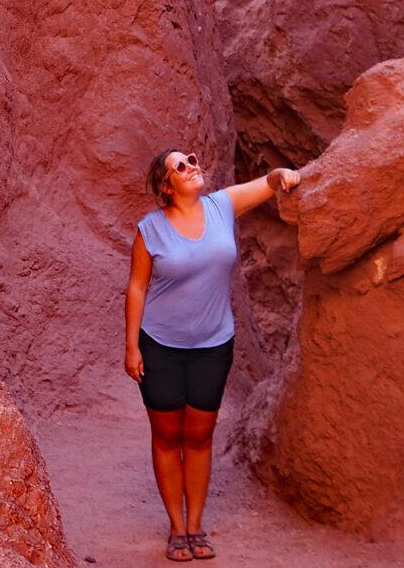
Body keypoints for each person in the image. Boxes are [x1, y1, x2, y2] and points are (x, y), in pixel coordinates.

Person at [124, 148, 300, 561]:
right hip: (161, 345)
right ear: (167, 186)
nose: (191, 166)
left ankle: (197, 525)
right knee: (168, 437)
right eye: (180, 166)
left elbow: (268, 182)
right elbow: (137, 288)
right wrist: (131, 346)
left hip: (213, 345)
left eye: (192, 159)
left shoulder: (221, 206)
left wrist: (283, 175)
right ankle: (177, 527)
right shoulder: (150, 229)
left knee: (200, 437)